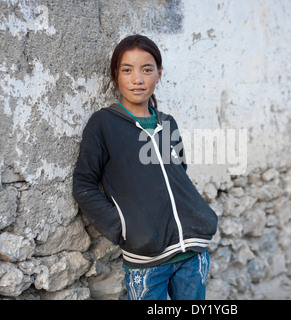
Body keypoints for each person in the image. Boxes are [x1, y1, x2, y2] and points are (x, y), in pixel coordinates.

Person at [72, 34, 218, 300]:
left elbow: (177, 174)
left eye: (147, 69)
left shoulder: (167, 123)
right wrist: (124, 228)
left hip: (193, 254)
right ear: (116, 75)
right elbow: (84, 185)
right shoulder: (104, 125)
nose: (137, 79)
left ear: (159, 74)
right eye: (127, 70)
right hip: (149, 260)